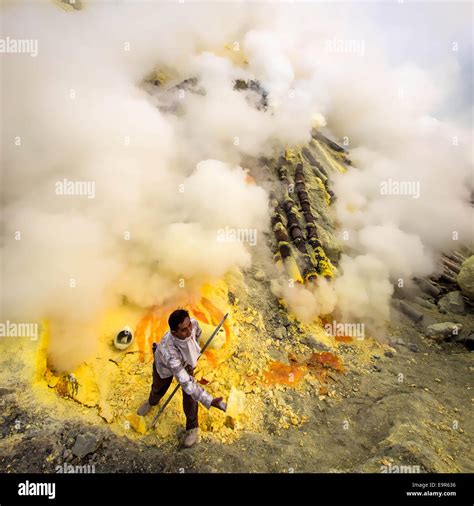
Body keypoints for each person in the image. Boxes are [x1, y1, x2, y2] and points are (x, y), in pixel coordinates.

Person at [137, 308, 226, 447]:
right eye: (184, 330)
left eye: (189, 325)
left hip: (185, 364)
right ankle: (152, 402)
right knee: (158, 387)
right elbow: (185, 382)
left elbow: (197, 334)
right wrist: (209, 400)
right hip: (165, 367)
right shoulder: (169, 350)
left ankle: (192, 428)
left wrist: (191, 356)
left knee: (190, 397)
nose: (189, 330)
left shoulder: (193, 325)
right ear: (174, 333)